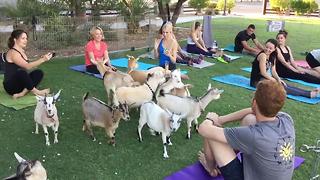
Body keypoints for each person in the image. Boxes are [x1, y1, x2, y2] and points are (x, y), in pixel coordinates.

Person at [198, 79, 295, 180]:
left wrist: (210, 118)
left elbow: (204, 129)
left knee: (212, 133)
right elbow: (252, 111)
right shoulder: (286, 119)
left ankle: (211, 169)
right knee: (249, 119)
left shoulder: (254, 135)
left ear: (254, 102)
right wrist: (221, 120)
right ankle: (227, 155)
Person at [250, 38, 319, 98]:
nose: (268, 50)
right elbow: (263, 73)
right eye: (266, 47)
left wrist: (278, 79)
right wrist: (274, 80)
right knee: (280, 88)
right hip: (257, 82)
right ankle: (309, 94)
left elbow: (273, 71)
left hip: (266, 79)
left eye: (270, 48)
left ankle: (309, 92)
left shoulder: (272, 56)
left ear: (274, 49)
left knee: (283, 84)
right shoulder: (263, 55)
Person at [3, 29, 52, 99]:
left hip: (20, 84)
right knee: (21, 73)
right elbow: (27, 66)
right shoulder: (13, 53)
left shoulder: (21, 51)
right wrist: (43, 60)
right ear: (15, 40)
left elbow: (29, 65)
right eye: (23, 38)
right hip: (11, 86)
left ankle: (22, 93)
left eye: (26, 38)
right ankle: (36, 92)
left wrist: (41, 59)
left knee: (38, 72)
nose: (26, 40)